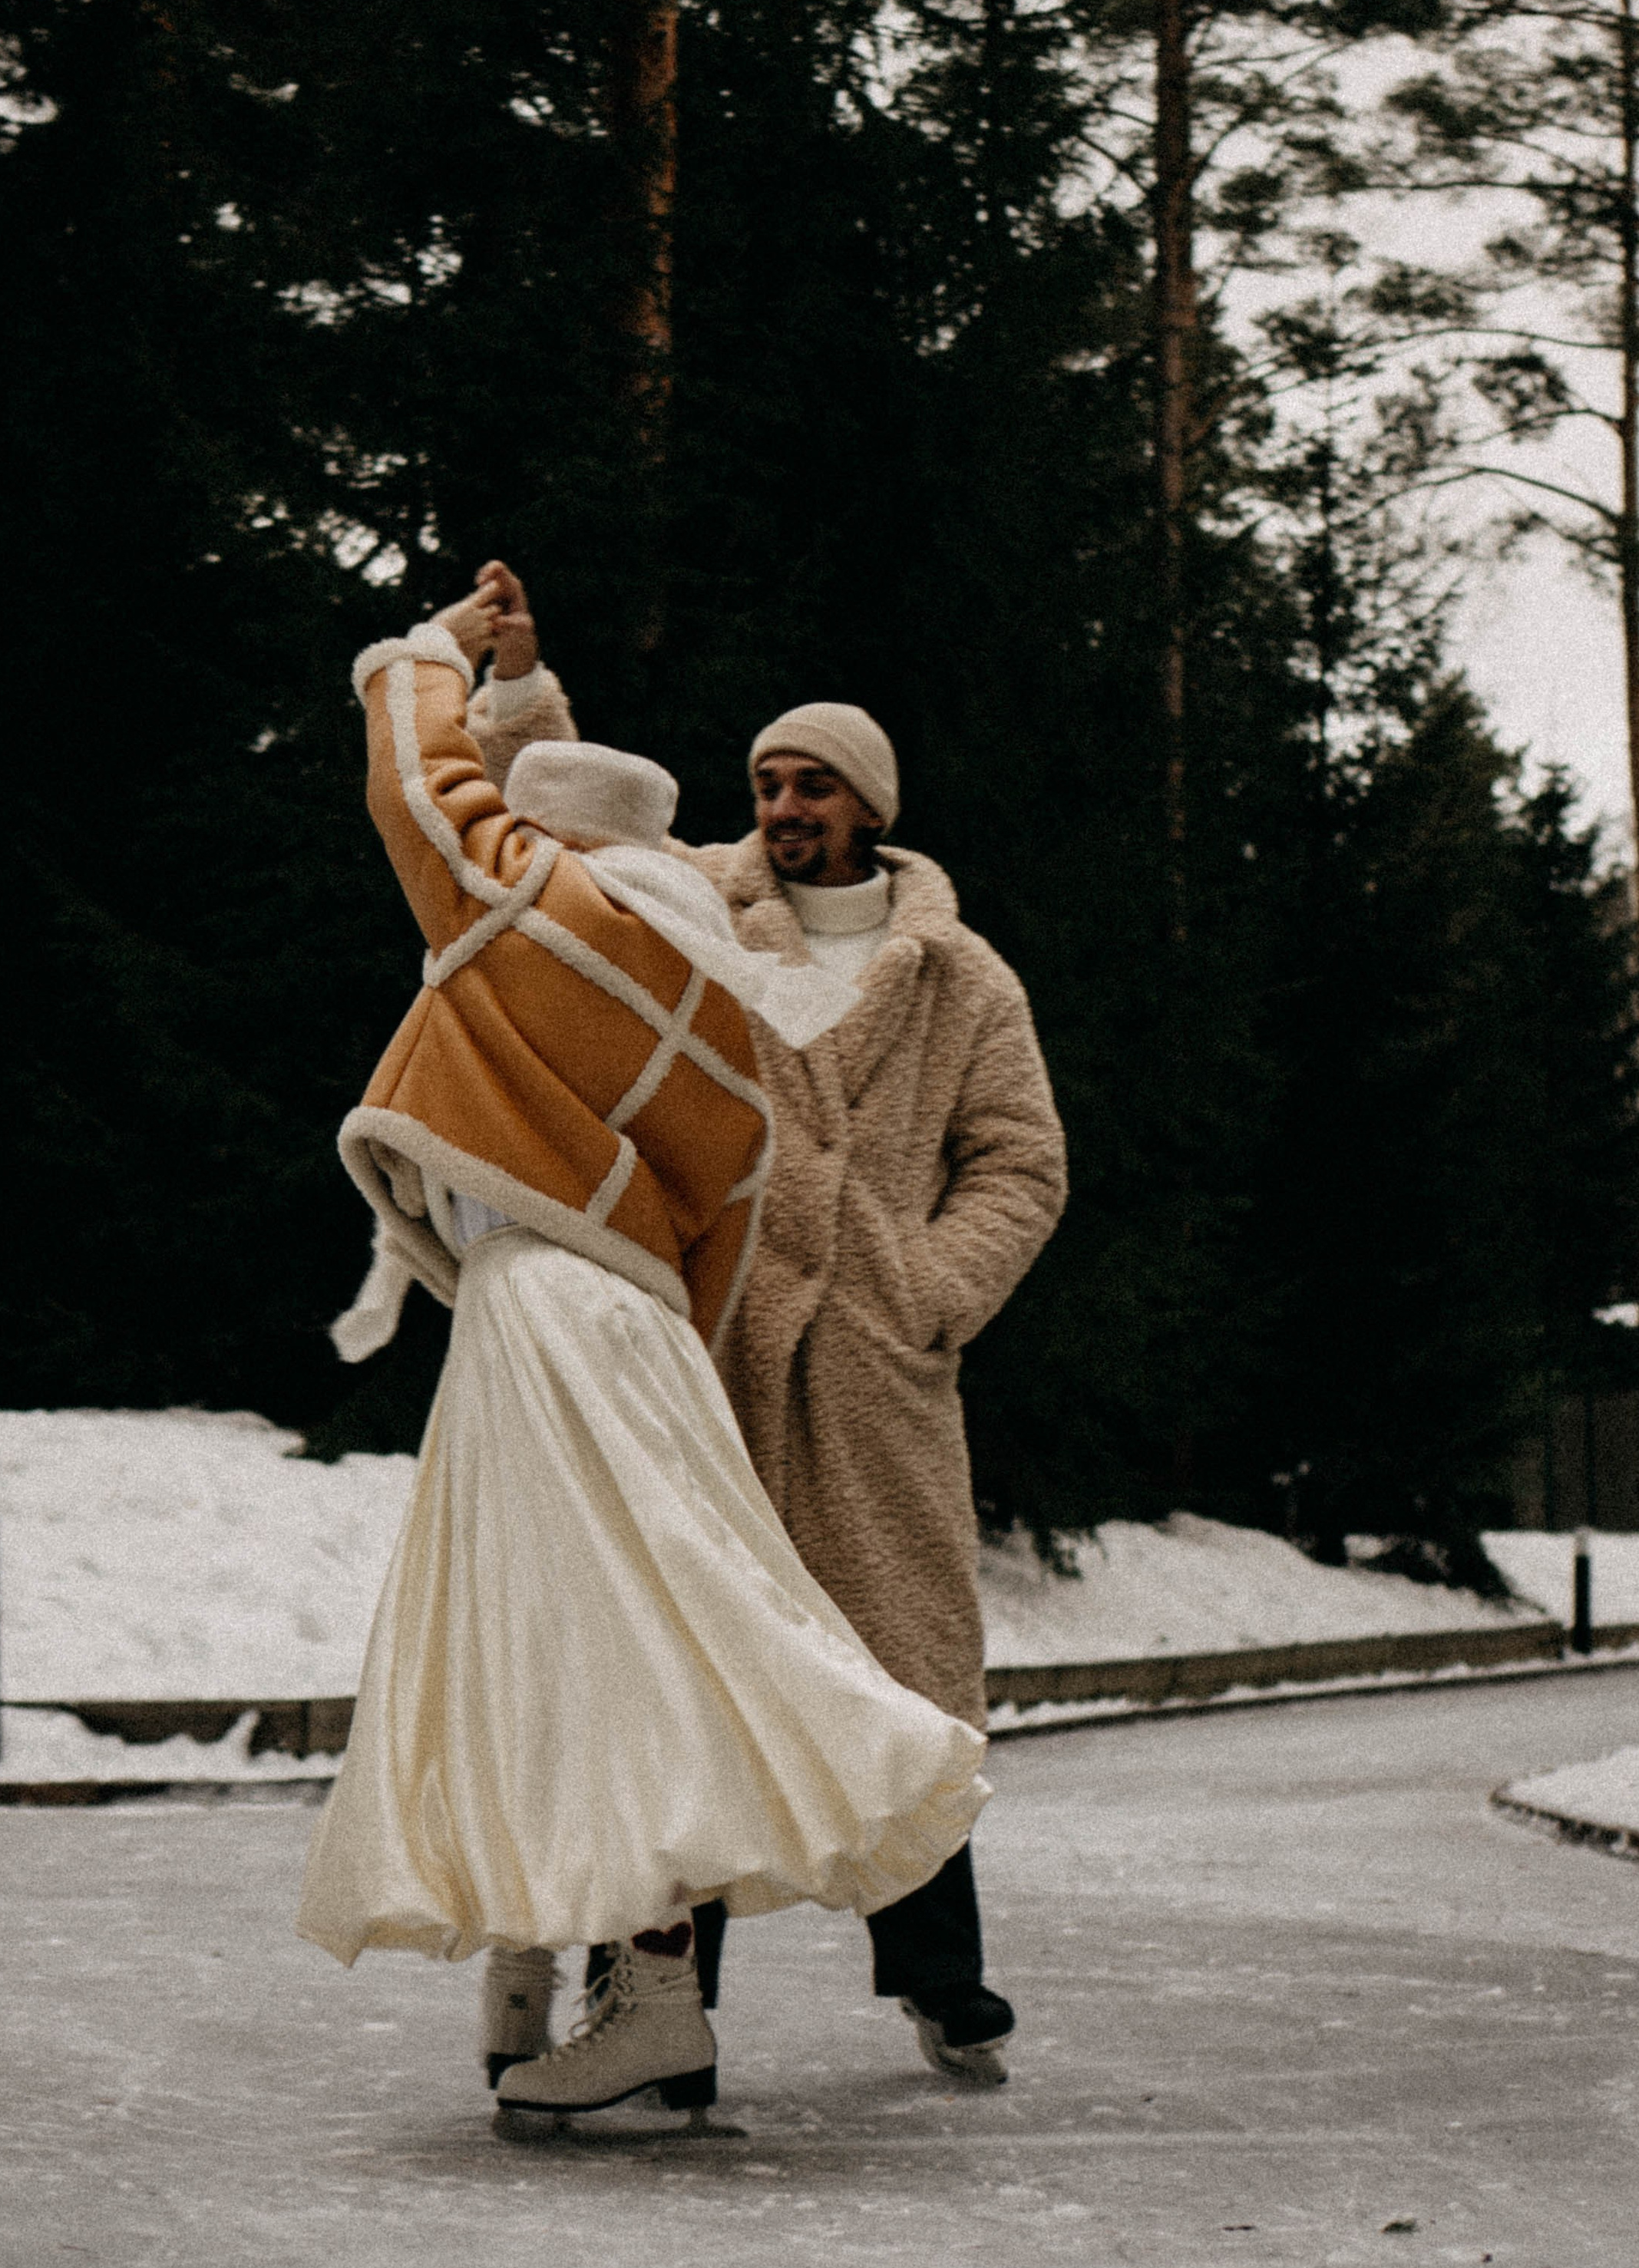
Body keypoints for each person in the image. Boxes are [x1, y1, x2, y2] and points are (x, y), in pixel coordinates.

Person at [294, 579, 990, 2128]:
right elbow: (724, 1220)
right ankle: (541, 1968)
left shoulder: (528, 910)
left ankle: (646, 1997)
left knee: (589, 1648)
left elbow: (417, 787)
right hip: (640, 1327)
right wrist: (527, 700)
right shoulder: (703, 983)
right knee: (582, 1636)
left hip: (546, 1317)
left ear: (544, 841)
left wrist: (430, 651)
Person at [469, 563, 1069, 2085]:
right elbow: (569, 820)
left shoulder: (961, 978)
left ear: (869, 805)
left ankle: (940, 1978)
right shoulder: (695, 913)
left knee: (902, 1664)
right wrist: (521, 690)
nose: (784, 807)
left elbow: (1019, 1162)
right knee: (683, 1652)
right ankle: (651, 2004)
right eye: (767, 783)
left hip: (872, 1368)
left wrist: (928, 1295)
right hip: (713, 1346)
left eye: (812, 785)